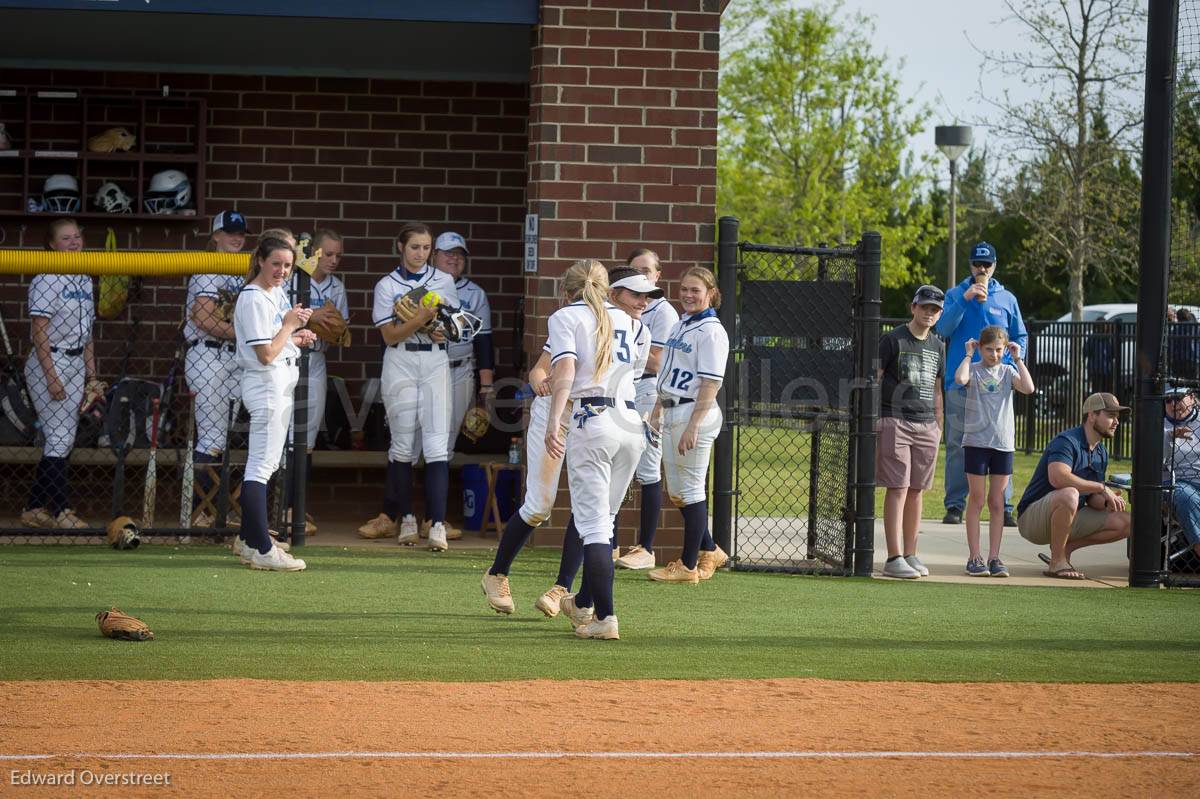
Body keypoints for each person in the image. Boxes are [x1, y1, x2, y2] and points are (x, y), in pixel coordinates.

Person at [480, 266, 660, 617]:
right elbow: (543, 369)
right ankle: (497, 573)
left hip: (593, 417)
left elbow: (627, 377)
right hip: (561, 412)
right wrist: (539, 385)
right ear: (611, 292)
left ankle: (565, 589)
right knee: (540, 506)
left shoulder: (633, 327)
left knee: (590, 512)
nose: (642, 302)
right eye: (635, 294)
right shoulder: (572, 319)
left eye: (645, 296)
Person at [546, 259, 648, 640]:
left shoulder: (565, 317)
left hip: (593, 420)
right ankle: (585, 603)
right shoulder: (630, 320)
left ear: (566, 290)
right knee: (603, 522)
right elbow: (635, 373)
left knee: (593, 528)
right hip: (629, 422)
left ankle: (605, 618)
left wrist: (556, 419)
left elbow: (567, 372)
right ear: (608, 289)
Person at [357, 222, 459, 551]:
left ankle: (438, 524)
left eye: (426, 247)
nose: (420, 253)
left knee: (436, 445)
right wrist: (419, 319)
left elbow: (452, 325)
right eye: (414, 246)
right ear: (400, 247)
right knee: (401, 445)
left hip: (434, 361)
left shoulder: (443, 280)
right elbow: (389, 335)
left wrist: (437, 327)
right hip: (399, 360)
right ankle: (408, 520)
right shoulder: (387, 285)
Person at [231, 236, 317, 571]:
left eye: (287, 265)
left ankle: (252, 543)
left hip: (278, 382)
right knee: (261, 467)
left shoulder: (272, 291)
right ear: (261, 261)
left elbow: (276, 343)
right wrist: (290, 326)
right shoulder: (253, 297)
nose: (282, 270)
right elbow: (265, 353)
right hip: (266, 385)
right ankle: (265, 550)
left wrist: (295, 337)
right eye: (276, 263)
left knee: (264, 466)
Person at [645, 267, 730, 584]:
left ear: (711, 292)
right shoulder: (682, 323)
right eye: (684, 289)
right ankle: (710, 549)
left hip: (694, 412)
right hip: (673, 409)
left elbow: (711, 384)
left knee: (690, 491)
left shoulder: (711, 331)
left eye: (695, 290)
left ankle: (689, 565)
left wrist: (693, 426)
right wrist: (657, 408)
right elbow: (667, 372)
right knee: (678, 492)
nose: (688, 295)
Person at [936, 241, 1028, 527]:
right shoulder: (954, 294)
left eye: (987, 264)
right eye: (977, 264)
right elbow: (942, 328)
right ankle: (954, 505)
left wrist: (1011, 365)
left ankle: (1005, 505)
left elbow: (1020, 336)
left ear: (995, 266)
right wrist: (965, 299)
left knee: (1002, 444)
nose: (982, 269)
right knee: (957, 444)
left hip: (997, 384)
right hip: (960, 381)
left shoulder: (1007, 298)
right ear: (970, 265)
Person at [410, 231, 493, 541]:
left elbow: (484, 341)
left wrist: (486, 388)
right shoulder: (422, 287)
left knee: (443, 445)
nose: (454, 258)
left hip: (459, 371)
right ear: (434, 257)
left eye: (459, 253)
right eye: (448, 253)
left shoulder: (476, 293)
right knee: (413, 442)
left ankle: (434, 519)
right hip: (422, 368)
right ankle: (404, 514)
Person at [21, 218, 94, 529]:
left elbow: (89, 333)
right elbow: (39, 332)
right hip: (48, 361)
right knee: (59, 436)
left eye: (77, 236)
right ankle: (63, 510)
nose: (74, 242)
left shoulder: (85, 278)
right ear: (51, 245)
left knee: (62, 439)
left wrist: (93, 376)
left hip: (76, 363)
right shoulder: (45, 278)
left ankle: (34, 507)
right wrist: (51, 376)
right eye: (66, 238)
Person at [1015, 393, 1132, 580]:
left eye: (1117, 416)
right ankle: (1057, 563)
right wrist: (1101, 487)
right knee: (1069, 494)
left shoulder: (1101, 451)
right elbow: (1058, 478)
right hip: (1032, 520)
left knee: (1127, 522)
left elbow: (1091, 499)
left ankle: (1064, 549)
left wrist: (1105, 502)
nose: (1116, 421)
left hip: (1069, 513)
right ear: (1092, 415)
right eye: (1110, 415)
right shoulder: (1067, 441)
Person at [953, 326, 1035, 577]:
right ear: (980, 347)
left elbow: (1029, 388)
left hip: (1002, 443)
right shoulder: (975, 370)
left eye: (999, 350)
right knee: (977, 499)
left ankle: (994, 557)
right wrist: (968, 355)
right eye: (989, 349)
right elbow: (960, 379)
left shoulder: (1009, 371)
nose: (994, 354)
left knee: (997, 501)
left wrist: (1018, 358)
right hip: (977, 442)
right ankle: (974, 556)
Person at [615, 248, 679, 571]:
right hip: (624, 386)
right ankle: (611, 543)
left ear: (658, 275)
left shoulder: (662, 312)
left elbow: (658, 360)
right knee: (619, 460)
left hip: (651, 388)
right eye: (634, 271)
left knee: (647, 466)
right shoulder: (620, 308)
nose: (641, 276)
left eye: (646, 270)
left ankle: (647, 547)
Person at [876, 285, 946, 579]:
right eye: (925, 307)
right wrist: (876, 419)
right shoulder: (892, 339)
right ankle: (893, 557)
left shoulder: (938, 345)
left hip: (927, 423)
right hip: (895, 419)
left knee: (917, 490)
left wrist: (939, 425)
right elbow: (875, 379)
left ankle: (910, 553)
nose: (929, 313)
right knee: (898, 487)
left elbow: (938, 388)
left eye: (935, 309)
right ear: (913, 307)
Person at [185, 210, 248, 527]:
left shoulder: (241, 270)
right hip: (207, 356)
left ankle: (212, 509)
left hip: (234, 358)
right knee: (210, 435)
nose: (237, 238)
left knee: (222, 437)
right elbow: (203, 318)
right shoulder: (208, 268)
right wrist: (244, 333)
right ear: (215, 235)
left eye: (241, 233)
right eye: (230, 232)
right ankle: (200, 512)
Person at [288, 228, 348, 536]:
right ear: (313, 253)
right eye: (328, 254)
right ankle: (281, 506)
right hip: (286, 358)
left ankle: (297, 507)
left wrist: (331, 326)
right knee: (285, 434)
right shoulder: (293, 277)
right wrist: (311, 319)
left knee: (306, 439)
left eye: (338, 255)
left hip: (316, 361)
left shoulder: (336, 286)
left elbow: (341, 332)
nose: (334, 260)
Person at [1163, 386, 1200, 560]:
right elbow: (1151, 457)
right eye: (1168, 400)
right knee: (1186, 496)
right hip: (1176, 481)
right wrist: (1169, 435)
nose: (1173, 403)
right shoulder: (1156, 424)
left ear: (1192, 398)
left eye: (1178, 397)